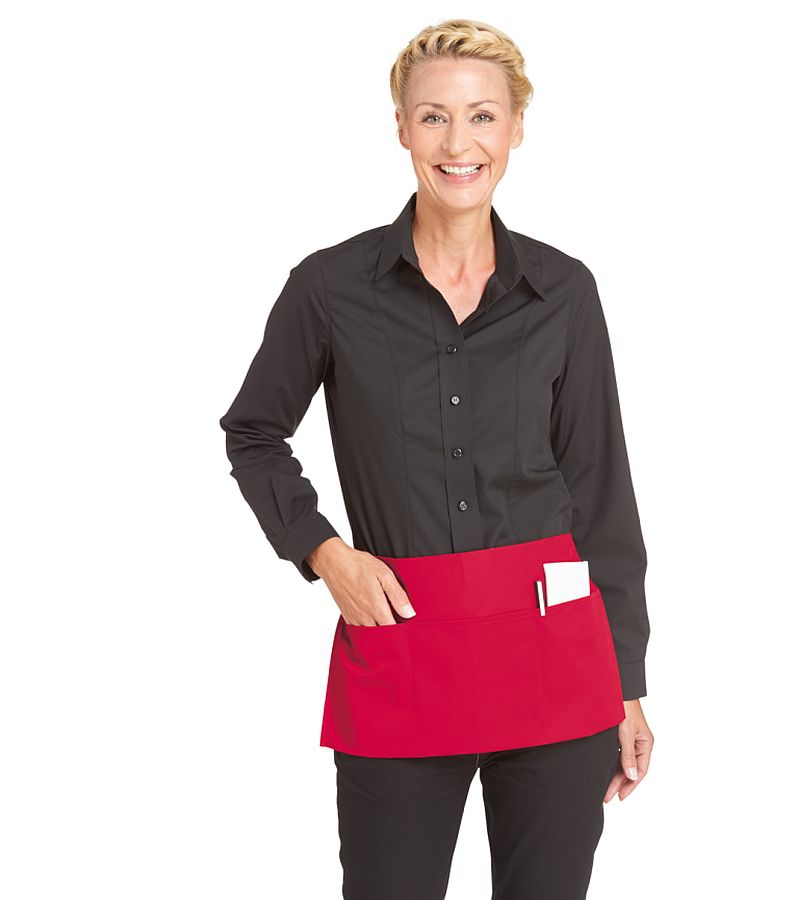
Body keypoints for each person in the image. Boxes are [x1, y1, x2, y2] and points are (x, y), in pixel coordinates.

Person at [219, 17, 654, 900]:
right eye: (434, 117)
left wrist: (628, 682)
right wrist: (324, 553)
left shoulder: (566, 292)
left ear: (517, 128)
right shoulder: (329, 289)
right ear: (401, 128)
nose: (459, 144)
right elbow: (253, 431)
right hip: (403, 650)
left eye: (483, 116)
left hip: (556, 663)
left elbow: (600, 490)